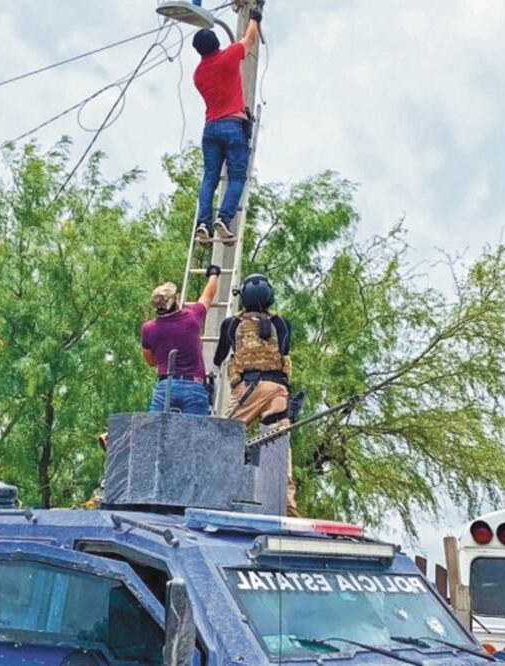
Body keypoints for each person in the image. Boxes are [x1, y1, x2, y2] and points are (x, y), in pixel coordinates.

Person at [212, 273, 299, 515]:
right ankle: (287, 503)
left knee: (223, 438)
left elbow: (219, 356)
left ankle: (215, 491)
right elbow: (284, 350)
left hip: (247, 390)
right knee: (279, 446)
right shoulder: (281, 323)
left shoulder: (232, 324)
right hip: (278, 391)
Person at [191, 7, 262, 244]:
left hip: (210, 128)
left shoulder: (198, 74)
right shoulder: (228, 57)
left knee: (210, 177)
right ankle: (224, 218)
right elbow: (250, 39)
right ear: (216, 42)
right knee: (237, 178)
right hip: (233, 125)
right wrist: (255, 16)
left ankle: (203, 222)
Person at [141, 265, 221, 415]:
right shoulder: (191, 317)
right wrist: (214, 274)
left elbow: (151, 361)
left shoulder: (149, 328)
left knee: (154, 433)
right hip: (194, 387)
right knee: (195, 435)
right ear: (175, 300)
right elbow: (207, 296)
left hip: (165, 388)